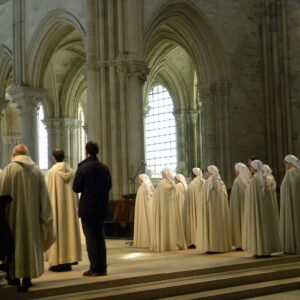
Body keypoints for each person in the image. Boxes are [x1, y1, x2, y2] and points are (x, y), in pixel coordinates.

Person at [0, 144, 55, 287]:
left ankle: (14, 276)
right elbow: (44, 198)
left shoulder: (8, 170)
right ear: (27, 154)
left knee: (15, 245)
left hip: (13, 217)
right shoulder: (37, 171)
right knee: (30, 244)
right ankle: (28, 277)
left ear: (14, 155)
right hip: (32, 219)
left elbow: (2, 195)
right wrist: (47, 218)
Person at [73, 141, 112, 276]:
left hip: (88, 208)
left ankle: (94, 268)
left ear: (86, 152)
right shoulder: (104, 167)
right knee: (100, 237)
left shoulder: (83, 167)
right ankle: (103, 268)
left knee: (91, 238)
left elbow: (76, 187)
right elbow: (109, 186)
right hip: (101, 207)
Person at [45, 149, 82, 272]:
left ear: (53, 158)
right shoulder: (71, 172)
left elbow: (48, 192)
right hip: (69, 209)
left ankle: (57, 262)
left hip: (56, 208)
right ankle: (69, 261)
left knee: (58, 232)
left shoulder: (51, 172)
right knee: (68, 232)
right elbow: (76, 191)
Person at [242, 160, 281, 257]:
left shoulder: (255, 179)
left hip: (257, 210)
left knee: (258, 227)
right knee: (265, 227)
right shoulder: (265, 178)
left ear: (254, 168)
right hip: (265, 210)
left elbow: (249, 194)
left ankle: (260, 250)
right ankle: (267, 249)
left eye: (251, 167)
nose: (250, 169)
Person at [196, 165, 232, 253]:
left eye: (207, 171)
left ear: (210, 172)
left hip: (211, 211)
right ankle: (220, 246)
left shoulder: (209, 181)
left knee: (211, 226)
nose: (206, 173)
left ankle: (212, 246)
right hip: (219, 212)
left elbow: (206, 198)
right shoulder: (220, 181)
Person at [151, 168, 186, 252]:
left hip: (163, 209)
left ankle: (164, 244)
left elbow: (156, 196)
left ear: (166, 174)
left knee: (164, 223)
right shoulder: (172, 183)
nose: (162, 175)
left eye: (162, 173)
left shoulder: (161, 183)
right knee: (171, 223)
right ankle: (172, 243)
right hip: (171, 208)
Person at [279, 154, 300, 254]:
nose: (285, 165)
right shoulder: (298, 172)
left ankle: (294, 245)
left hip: (290, 203)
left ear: (289, 163)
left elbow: (286, 188)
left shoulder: (290, 173)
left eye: (285, 163)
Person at [230, 163, 251, 250]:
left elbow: (234, 198)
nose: (234, 171)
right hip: (246, 206)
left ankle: (240, 243)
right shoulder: (247, 180)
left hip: (238, 207)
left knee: (239, 221)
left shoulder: (237, 181)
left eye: (235, 169)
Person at [183, 168, 205, 248]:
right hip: (202, 208)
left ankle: (194, 241)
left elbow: (188, 198)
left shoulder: (192, 184)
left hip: (193, 208)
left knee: (194, 222)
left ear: (194, 174)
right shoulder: (204, 181)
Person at [133, 174, 155, 248]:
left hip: (143, 212)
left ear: (142, 179)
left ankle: (144, 241)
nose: (138, 181)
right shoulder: (147, 186)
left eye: (139, 179)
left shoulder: (142, 188)